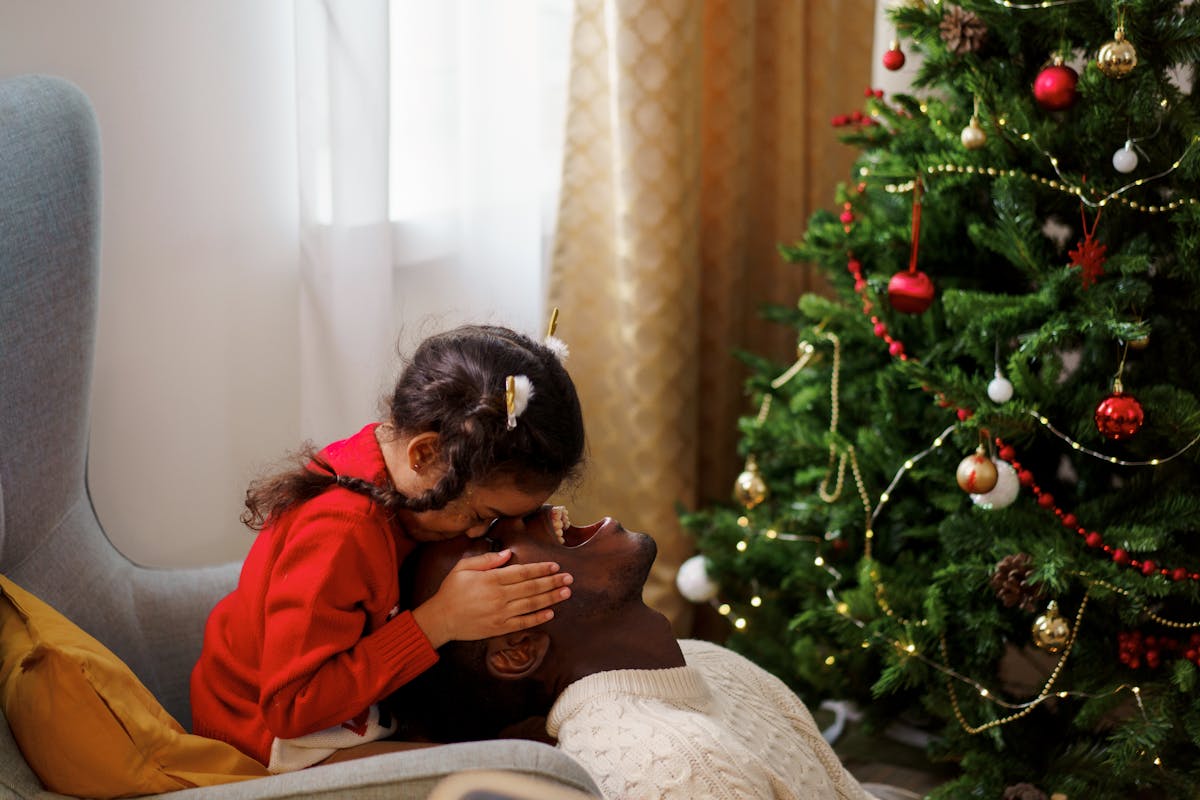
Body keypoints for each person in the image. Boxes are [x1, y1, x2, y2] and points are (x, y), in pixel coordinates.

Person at [190, 323, 586, 772]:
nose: (477, 534)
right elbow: (292, 705)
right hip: (270, 735)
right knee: (508, 772)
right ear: (425, 455)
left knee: (537, 741)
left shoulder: (403, 472)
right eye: (479, 516)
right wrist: (438, 621)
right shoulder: (341, 531)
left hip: (358, 706)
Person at [390, 506, 885, 800]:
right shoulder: (669, 767)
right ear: (518, 649)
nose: (535, 512)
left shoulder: (707, 661)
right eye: (496, 542)